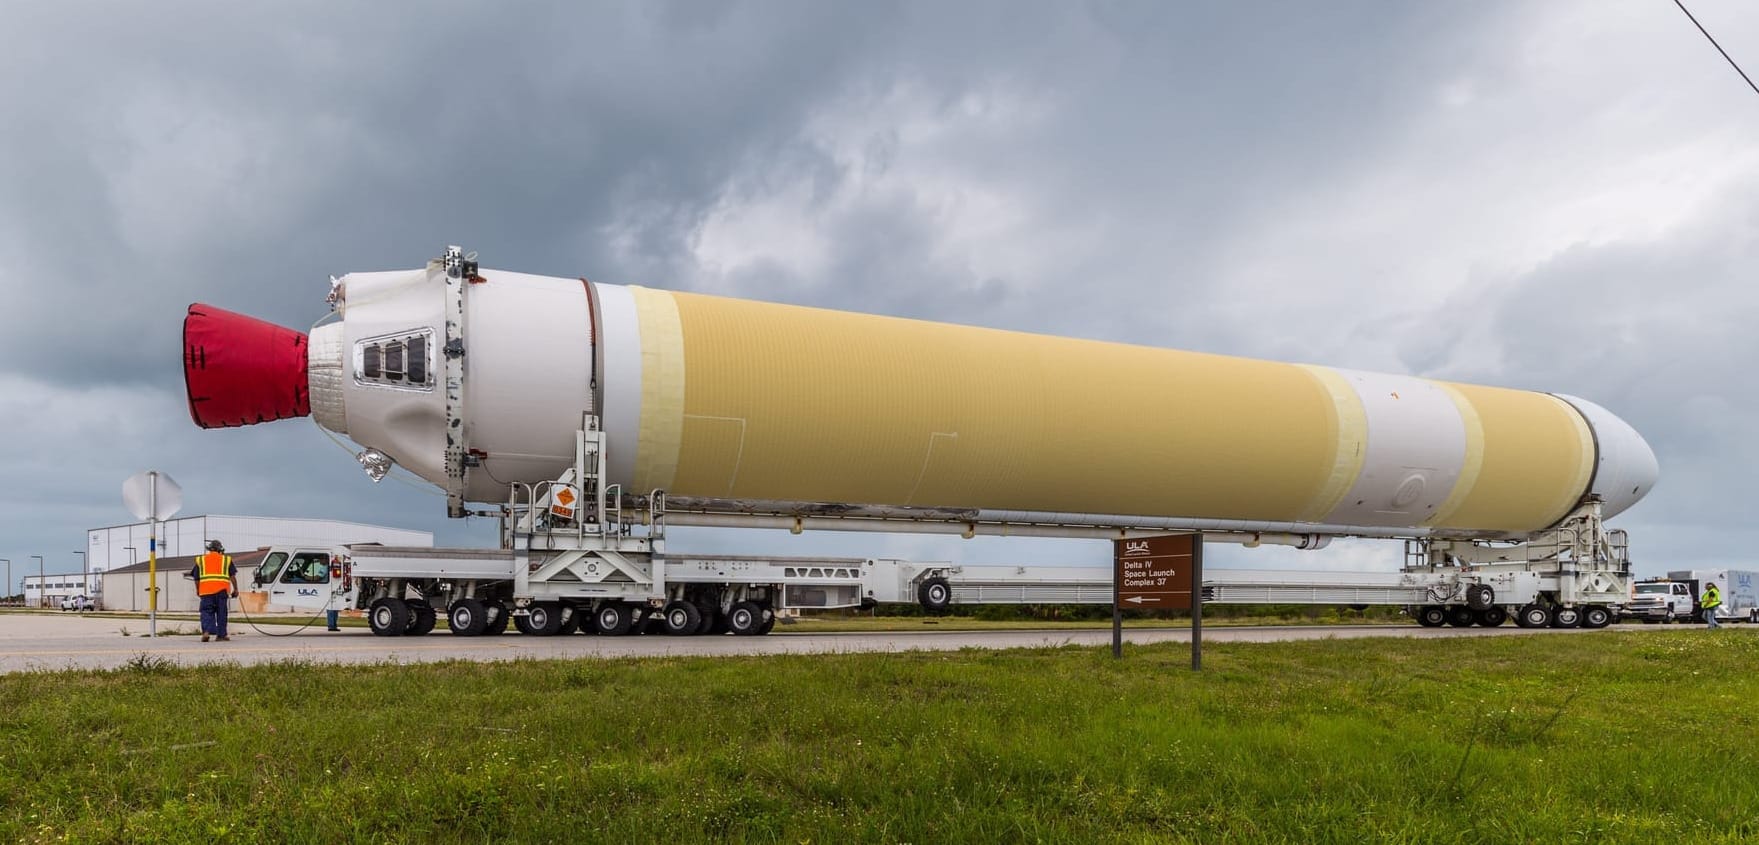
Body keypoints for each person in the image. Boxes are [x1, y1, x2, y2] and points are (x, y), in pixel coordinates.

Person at [191, 540, 239, 642]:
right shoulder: (226, 560)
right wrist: (236, 589)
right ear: (220, 549)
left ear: (209, 549)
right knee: (222, 613)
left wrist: (198, 590)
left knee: (206, 612)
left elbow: (196, 578)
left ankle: (206, 632)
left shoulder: (201, 560)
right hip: (222, 591)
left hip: (206, 591)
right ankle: (221, 635)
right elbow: (232, 576)